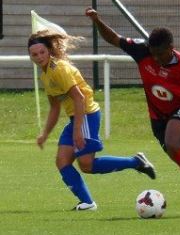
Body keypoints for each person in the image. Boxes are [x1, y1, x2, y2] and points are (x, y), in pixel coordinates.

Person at [85, 7, 180, 216]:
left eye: (160, 54)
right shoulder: (142, 51)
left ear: (171, 47)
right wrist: (97, 20)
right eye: (153, 53)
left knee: (174, 143)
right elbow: (113, 38)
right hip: (158, 118)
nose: (156, 58)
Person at [28, 30, 156, 211]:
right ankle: (87, 203)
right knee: (62, 161)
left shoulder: (60, 70)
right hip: (77, 118)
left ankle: (136, 162)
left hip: (86, 115)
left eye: (42, 52)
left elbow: (79, 98)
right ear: (30, 56)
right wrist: (45, 134)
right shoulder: (46, 75)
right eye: (34, 54)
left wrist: (78, 129)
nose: (39, 56)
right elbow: (55, 108)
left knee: (87, 165)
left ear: (49, 50)